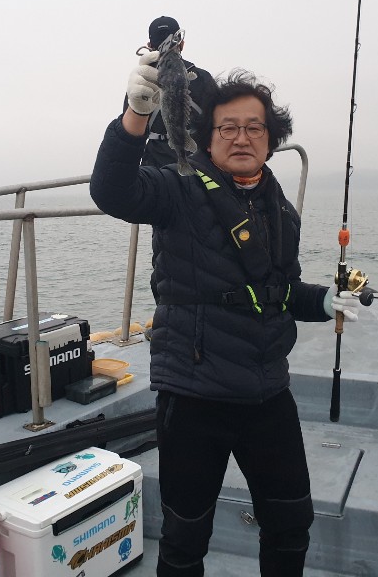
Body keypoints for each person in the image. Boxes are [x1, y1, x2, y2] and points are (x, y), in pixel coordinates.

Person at [91, 57, 361, 577]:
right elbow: (112, 191)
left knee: (291, 524)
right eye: (228, 127)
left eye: (254, 127)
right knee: (184, 538)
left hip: (267, 391)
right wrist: (135, 115)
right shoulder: (176, 188)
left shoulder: (281, 208)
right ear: (206, 138)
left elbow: (279, 292)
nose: (241, 137)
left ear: (271, 139)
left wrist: (324, 301)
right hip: (194, 395)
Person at [123, 16, 216, 168]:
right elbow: (217, 122)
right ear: (182, 44)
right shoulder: (202, 77)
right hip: (198, 164)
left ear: (149, 46)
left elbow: (128, 131)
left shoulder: (140, 82)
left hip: (154, 168)